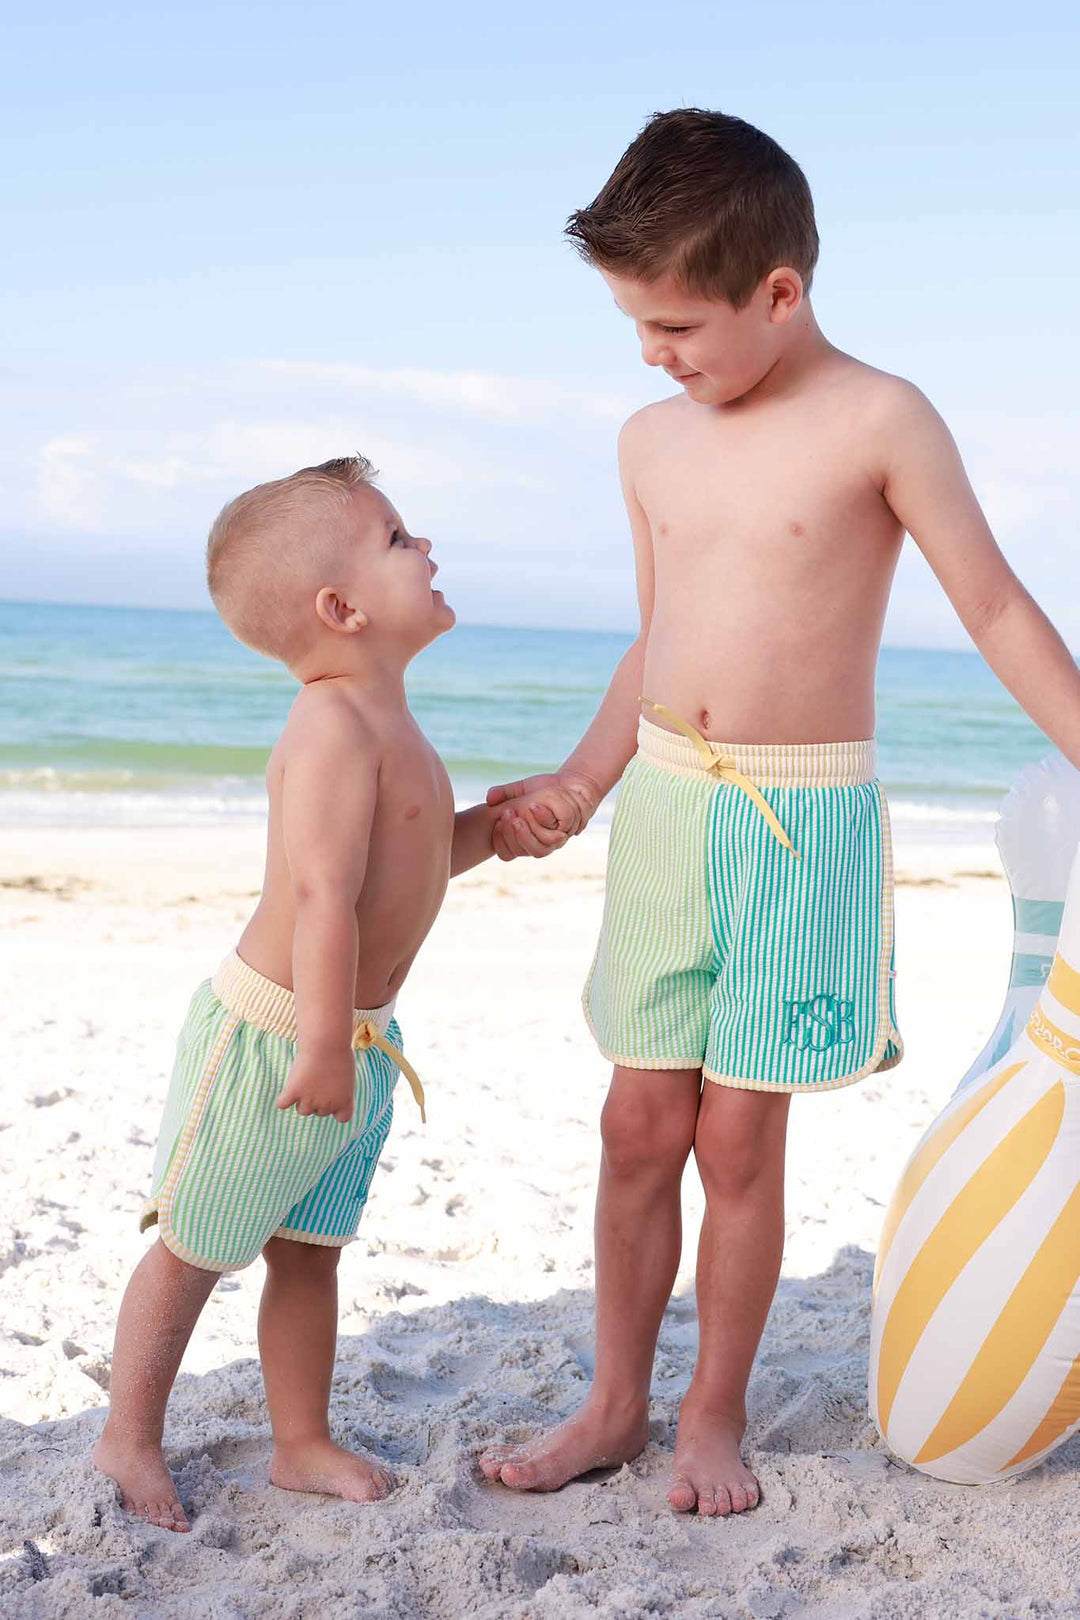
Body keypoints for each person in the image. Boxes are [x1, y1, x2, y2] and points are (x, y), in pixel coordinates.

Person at [480, 108, 1080, 1517]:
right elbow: (654, 637)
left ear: (782, 291)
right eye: (635, 324)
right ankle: (614, 1402)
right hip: (671, 815)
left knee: (741, 1139)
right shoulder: (649, 442)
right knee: (638, 1125)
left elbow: (992, 606)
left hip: (807, 830)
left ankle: (710, 1415)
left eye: (679, 324)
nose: (654, 354)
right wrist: (582, 777)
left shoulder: (881, 418)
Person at [92, 455, 574, 1532]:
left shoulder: (393, 721)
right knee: (197, 1245)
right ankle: (127, 1436)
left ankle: (299, 1440)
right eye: (401, 538)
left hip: (352, 1039)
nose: (430, 546)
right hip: (279, 1039)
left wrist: (489, 835)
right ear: (342, 608)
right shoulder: (330, 731)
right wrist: (317, 1043)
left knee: (310, 1249)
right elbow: (318, 899)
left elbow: (397, 870)